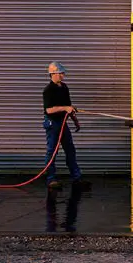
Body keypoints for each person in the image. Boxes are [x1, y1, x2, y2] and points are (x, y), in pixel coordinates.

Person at [42, 61, 86, 189]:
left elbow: (69, 107)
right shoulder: (48, 90)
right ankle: (51, 179)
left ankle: (77, 178)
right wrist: (64, 108)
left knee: (70, 150)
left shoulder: (64, 87)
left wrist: (75, 120)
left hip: (62, 123)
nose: (62, 76)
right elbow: (49, 110)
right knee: (52, 151)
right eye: (60, 73)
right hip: (52, 123)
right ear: (52, 74)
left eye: (63, 73)